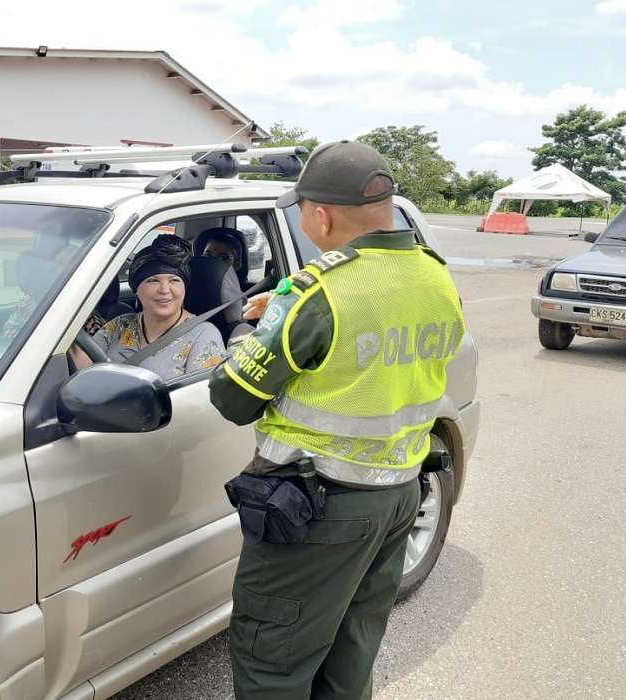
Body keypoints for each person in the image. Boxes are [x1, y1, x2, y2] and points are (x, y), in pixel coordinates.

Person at [208, 140, 466, 699]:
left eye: (301, 211)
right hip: (397, 493)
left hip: (320, 508)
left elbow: (233, 397)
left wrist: (250, 332)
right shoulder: (434, 276)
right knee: (351, 654)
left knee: (272, 659)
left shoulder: (320, 291)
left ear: (320, 214)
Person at [78, 234, 225, 379]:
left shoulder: (203, 335)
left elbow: (201, 398)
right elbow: (85, 375)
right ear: (136, 289)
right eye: (153, 281)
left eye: (174, 280)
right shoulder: (118, 326)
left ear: (185, 288)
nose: (165, 290)